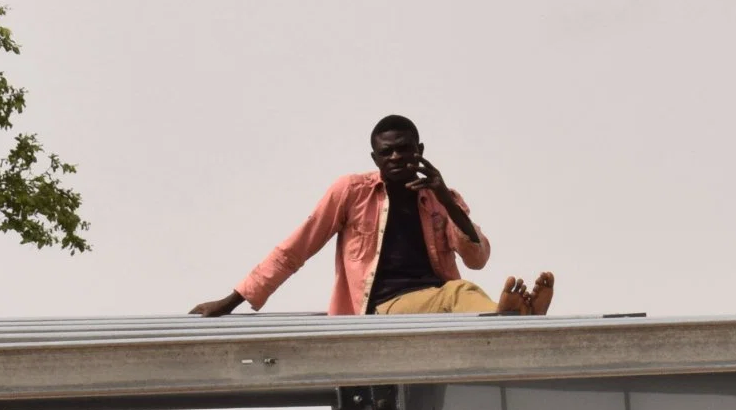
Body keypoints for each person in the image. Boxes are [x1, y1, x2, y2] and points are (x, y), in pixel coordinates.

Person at [191, 115, 554, 319]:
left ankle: (513, 317)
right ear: (375, 158)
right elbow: (294, 250)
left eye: (405, 150)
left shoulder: (440, 197)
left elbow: (477, 259)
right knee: (461, 293)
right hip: (383, 307)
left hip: (437, 301)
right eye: (388, 152)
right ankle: (509, 318)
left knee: (458, 291)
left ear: (420, 151)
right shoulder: (352, 192)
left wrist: (444, 197)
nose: (396, 157)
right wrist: (232, 301)